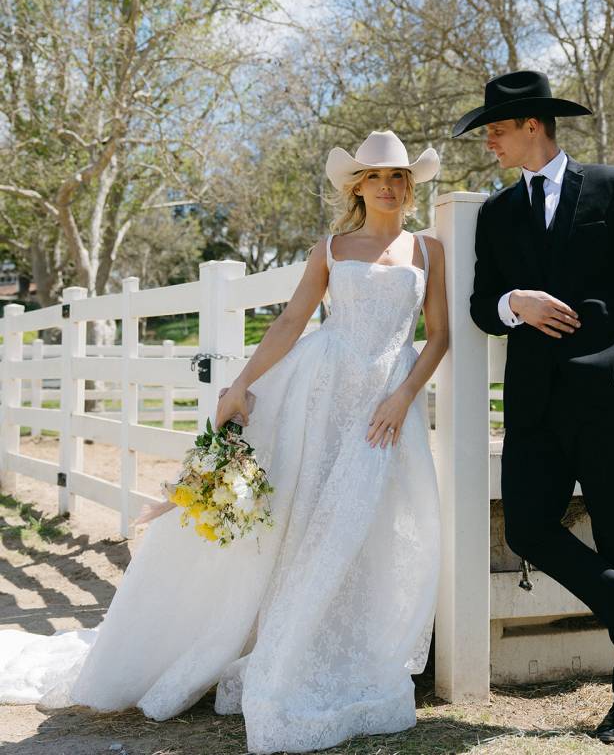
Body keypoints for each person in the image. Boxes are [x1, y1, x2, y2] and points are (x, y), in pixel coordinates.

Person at [0, 130, 447, 755]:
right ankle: (285, 648)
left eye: (399, 176)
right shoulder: (330, 248)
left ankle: (349, 651)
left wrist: (403, 396)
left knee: (367, 521)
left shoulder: (428, 250)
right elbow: (290, 322)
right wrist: (241, 384)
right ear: (358, 187)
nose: (390, 187)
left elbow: (438, 335)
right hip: (321, 397)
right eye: (377, 177)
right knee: (306, 519)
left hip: (384, 404)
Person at [452, 71, 614, 744]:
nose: (490, 143)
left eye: (496, 130)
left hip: (605, 393)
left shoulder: (613, 187)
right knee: (529, 529)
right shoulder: (496, 214)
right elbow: (481, 306)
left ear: (533, 125)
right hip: (532, 405)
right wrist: (515, 303)